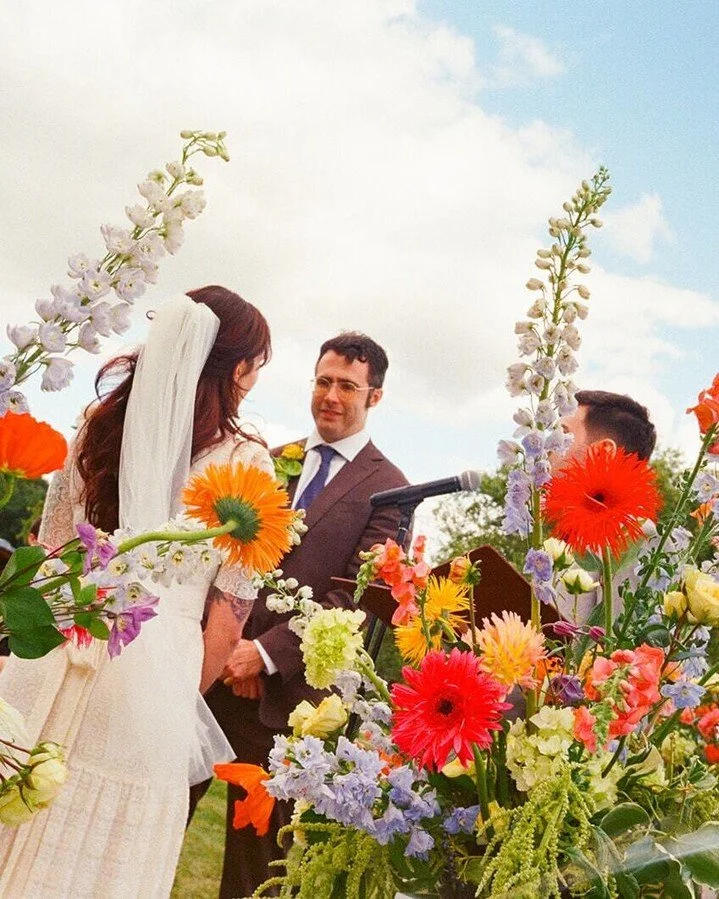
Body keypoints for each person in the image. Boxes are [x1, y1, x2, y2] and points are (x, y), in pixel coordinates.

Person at [0, 285, 275, 898]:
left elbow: (51, 550)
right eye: (256, 364)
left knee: (26, 784)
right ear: (235, 367)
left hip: (61, 638)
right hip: (159, 668)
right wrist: (172, 703)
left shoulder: (97, 426)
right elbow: (228, 619)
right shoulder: (247, 463)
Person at [199, 331, 409, 898]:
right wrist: (225, 647)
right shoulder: (269, 460)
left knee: (255, 865)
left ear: (375, 397)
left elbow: (355, 601)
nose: (331, 396)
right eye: (323, 381)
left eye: (347, 385)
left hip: (286, 703)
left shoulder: (390, 491)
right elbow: (222, 555)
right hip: (209, 673)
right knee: (163, 808)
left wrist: (263, 656)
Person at [553, 389, 657, 623]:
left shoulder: (635, 535)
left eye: (563, 435)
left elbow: (626, 651)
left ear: (602, 453)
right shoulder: (566, 540)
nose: (547, 446)